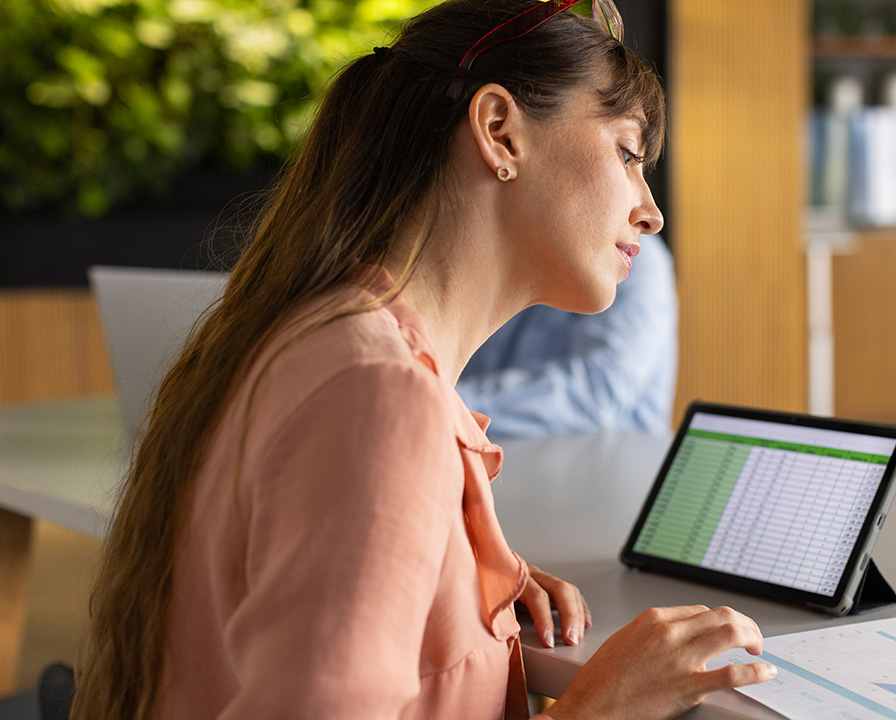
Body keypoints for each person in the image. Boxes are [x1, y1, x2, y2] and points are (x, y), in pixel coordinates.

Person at [72, 1, 776, 719]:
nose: (650, 210)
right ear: (499, 131)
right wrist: (598, 706)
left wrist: (456, 581)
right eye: (628, 154)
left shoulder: (322, 338)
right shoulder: (377, 391)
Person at [456, 232, 677, 436]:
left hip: (611, 468)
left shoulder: (636, 259)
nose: (653, 217)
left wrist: (449, 405)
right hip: (499, 456)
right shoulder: (505, 251)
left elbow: (594, 394)